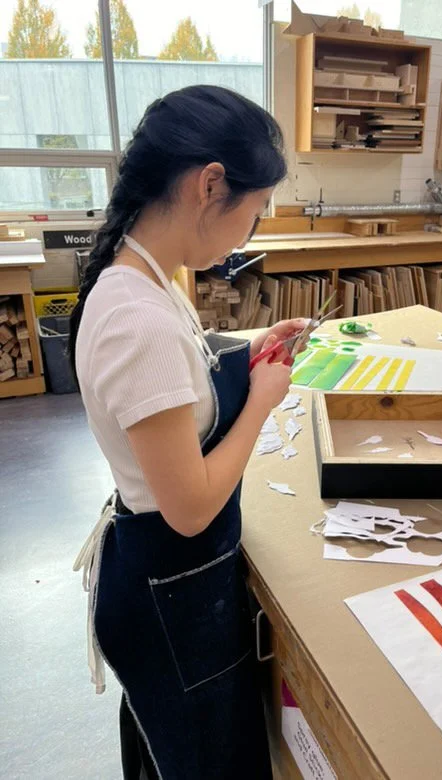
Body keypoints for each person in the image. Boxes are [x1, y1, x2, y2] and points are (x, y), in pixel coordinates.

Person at [70, 85, 305, 779]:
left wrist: (254, 348)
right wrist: (262, 400)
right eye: (255, 213)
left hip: (165, 587)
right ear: (211, 185)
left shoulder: (146, 278)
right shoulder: (136, 318)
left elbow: (179, 384)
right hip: (168, 597)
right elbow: (191, 505)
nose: (251, 234)